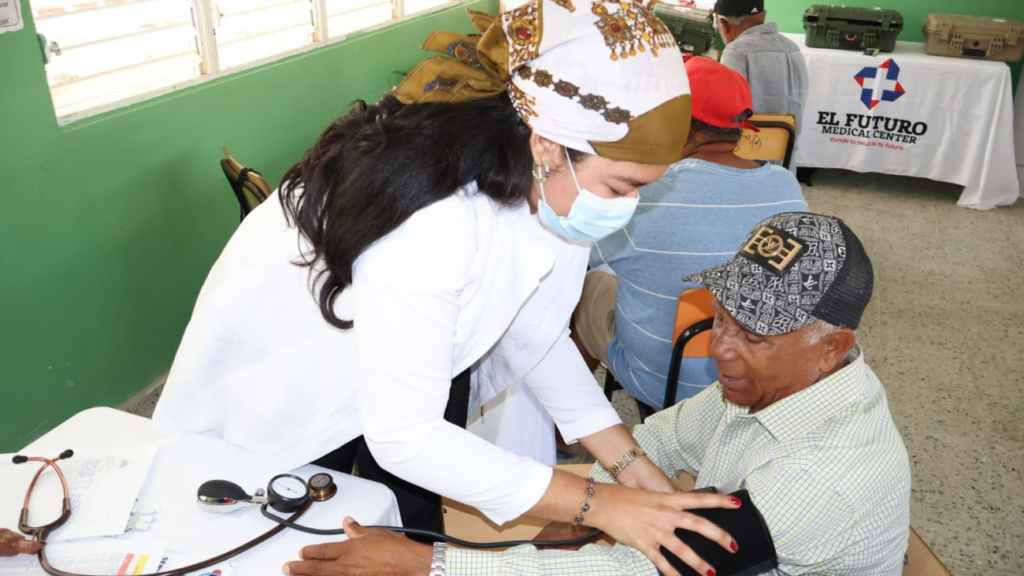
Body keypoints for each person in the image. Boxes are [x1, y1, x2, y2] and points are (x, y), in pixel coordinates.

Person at [153, 2, 740, 575]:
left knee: (406, 516)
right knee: (291, 520)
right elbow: (406, 437)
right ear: (546, 143)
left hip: (405, 344)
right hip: (295, 361)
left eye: (640, 189)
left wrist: (631, 465)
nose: (626, 206)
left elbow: (534, 335)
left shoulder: (554, 189)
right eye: (620, 187)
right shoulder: (433, 221)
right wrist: (601, 504)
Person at [281, 213, 912, 576]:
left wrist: (430, 565)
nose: (720, 348)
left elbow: (636, 572)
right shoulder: (770, 387)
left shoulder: (825, 476)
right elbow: (660, 440)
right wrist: (590, 510)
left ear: (832, 346)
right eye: (719, 318)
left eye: (752, 336)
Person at [574, 57, 808, 410]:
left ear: (680, 123)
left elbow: (581, 256)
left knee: (587, 285)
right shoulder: (787, 187)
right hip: (753, 382)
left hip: (661, 383)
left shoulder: (644, 194)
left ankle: (570, 421)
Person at [715, 0, 809, 137]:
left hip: (748, 146)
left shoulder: (736, 51)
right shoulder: (792, 48)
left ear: (724, 25)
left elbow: (729, 113)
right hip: (787, 148)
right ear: (763, 15)